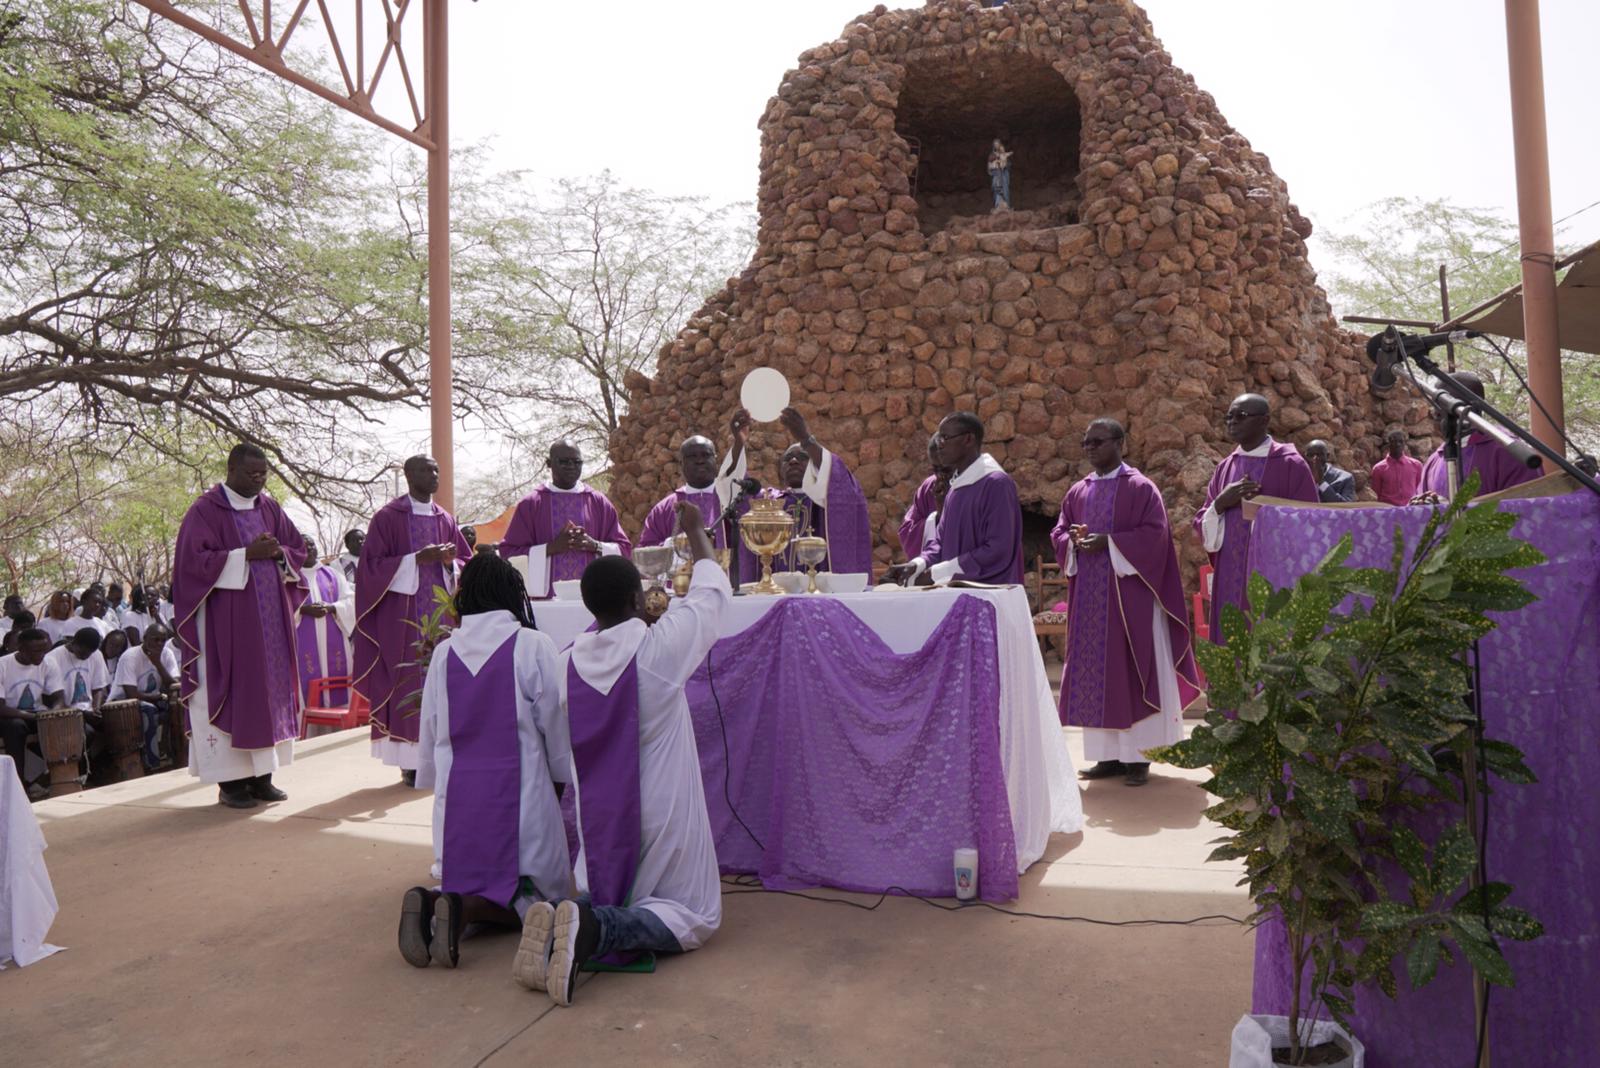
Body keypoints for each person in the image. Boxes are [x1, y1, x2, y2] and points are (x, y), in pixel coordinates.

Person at [543, 501, 727, 1007]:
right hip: (663, 815)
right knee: (694, 915)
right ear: (637, 596)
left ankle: (572, 915)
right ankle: (595, 929)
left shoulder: (566, 666)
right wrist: (694, 532)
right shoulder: (658, 650)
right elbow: (710, 597)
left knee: (605, 885)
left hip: (602, 818)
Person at [399, 553, 569, 977]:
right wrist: (561, 777)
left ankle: (443, 898)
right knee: (542, 901)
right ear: (511, 594)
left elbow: (434, 728)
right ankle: (463, 907)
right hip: (520, 799)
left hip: (460, 802)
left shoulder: (444, 653)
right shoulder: (532, 645)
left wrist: (437, 783)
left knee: (466, 873)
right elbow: (555, 722)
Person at [1053, 420, 1202, 786]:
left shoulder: (1140, 488)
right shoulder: (1077, 492)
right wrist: (1071, 540)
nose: (1090, 448)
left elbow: (1156, 536)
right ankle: (1109, 757)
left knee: (1133, 672)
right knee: (1099, 675)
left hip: (1129, 599)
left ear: (1120, 442)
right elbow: (1060, 530)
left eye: (1098, 441)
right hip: (1090, 600)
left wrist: (1110, 543)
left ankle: (1140, 758)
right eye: (1085, 442)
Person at [172, 442, 308, 809]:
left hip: (271, 628)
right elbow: (191, 564)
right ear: (231, 469)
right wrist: (246, 554)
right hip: (227, 627)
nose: (259, 480)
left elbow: (298, 549)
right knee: (234, 691)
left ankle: (263, 778)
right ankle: (231, 785)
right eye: (252, 473)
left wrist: (279, 552)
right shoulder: (205, 510)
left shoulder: (270, 507)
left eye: (264, 473)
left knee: (269, 695)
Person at [354, 455, 472, 784]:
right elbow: (370, 569)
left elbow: (465, 560)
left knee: (445, 681)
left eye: (436, 470)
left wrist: (450, 563)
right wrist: (416, 559)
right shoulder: (388, 518)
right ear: (408, 475)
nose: (434, 475)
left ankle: (444, 752)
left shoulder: (445, 518)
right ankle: (411, 761)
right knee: (408, 679)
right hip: (403, 621)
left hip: (442, 617)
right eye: (425, 470)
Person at [1191, 394, 1319, 640]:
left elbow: (1310, 521)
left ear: (1264, 421)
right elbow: (1202, 522)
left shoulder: (1291, 464)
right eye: (1229, 416)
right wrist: (1220, 504)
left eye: (1241, 416)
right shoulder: (1226, 467)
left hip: (1274, 575)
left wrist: (1266, 514)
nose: (1232, 422)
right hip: (1230, 572)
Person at [729, 407, 874, 583]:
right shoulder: (768, 501)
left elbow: (841, 484)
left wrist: (806, 439)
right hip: (775, 591)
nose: (794, 460)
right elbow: (735, 490)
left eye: (802, 456)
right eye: (788, 457)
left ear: (814, 465)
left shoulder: (825, 497)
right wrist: (738, 443)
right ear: (780, 470)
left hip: (821, 592)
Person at [885, 412, 1025, 587]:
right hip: (955, 592)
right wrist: (916, 564)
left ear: (968, 440)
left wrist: (938, 572)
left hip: (988, 593)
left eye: (945, 437)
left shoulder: (996, 484)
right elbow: (939, 543)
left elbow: (997, 549)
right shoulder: (956, 487)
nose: (939, 444)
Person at [497, 440, 632, 599]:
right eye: (564, 461)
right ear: (549, 463)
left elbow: (624, 549)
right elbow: (509, 554)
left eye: (577, 462)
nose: (571, 466)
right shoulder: (532, 504)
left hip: (595, 600)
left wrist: (595, 545)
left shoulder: (598, 502)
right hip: (545, 602)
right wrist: (550, 548)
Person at [1414, 372, 1544, 501]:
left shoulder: (1507, 451)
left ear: (1469, 407)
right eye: (1434, 406)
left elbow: (1529, 510)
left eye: (1441, 404)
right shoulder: (1436, 458)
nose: (1435, 413)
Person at [636, 413, 750, 550]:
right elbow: (645, 551)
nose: (700, 460)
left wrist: (739, 441)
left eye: (706, 455)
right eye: (692, 456)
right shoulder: (664, 509)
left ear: (715, 459)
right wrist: (675, 543)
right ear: (681, 463)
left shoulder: (731, 498)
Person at [296, 537, 355, 718]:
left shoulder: (332, 575)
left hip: (334, 635)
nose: (309, 549)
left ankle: (339, 731)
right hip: (301, 640)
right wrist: (302, 610)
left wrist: (331, 607)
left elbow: (351, 600)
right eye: (303, 546)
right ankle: (308, 735)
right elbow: (279, 608)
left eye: (312, 545)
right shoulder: (291, 577)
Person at [114, 623, 180, 770]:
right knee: (149, 710)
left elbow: (175, 684)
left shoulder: (166, 653)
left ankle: (174, 754)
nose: (160, 643)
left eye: (163, 640)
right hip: (124, 702)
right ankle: (153, 763)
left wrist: (157, 663)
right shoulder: (130, 656)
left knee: (177, 706)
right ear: (144, 638)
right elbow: (131, 693)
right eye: (155, 639)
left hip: (154, 698)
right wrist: (157, 697)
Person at [0, 628, 58, 790]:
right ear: (21, 649)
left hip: (35, 714)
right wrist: (34, 717)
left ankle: (58, 777)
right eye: (36, 651)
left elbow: (58, 696)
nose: (41, 654)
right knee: (15, 726)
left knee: (62, 721)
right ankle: (18, 784)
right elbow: (1, 708)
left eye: (44, 650)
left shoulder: (48, 663)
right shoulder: (3, 665)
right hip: (8, 715)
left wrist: (56, 712)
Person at [898, 436, 953, 560]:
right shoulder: (929, 487)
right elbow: (907, 533)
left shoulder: (975, 486)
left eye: (945, 469)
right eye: (935, 469)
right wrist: (937, 517)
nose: (940, 475)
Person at [1369, 427, 1423, 506]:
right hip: (1388, 511)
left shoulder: (1416, 465)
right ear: (1389, 444)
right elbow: (1376, 493)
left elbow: (1420, 489)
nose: (1398, 444)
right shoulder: (1379, 468)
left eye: (1401, 442)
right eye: (1394, 441)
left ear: (1404, 444)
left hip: (1410, 509)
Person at [988, 138, 1013, 212]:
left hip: (1004, 175)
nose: (997, 146)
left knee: (1005, 189)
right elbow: (989, 167)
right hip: (996, 175)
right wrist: (994, 166)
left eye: (998, 144)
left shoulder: (1003, 154)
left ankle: (1006, 206)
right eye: (995, 144)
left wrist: (1004, 164)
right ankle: (998, 205)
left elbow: (1008, 165)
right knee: (997, 189)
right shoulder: (992, 155)